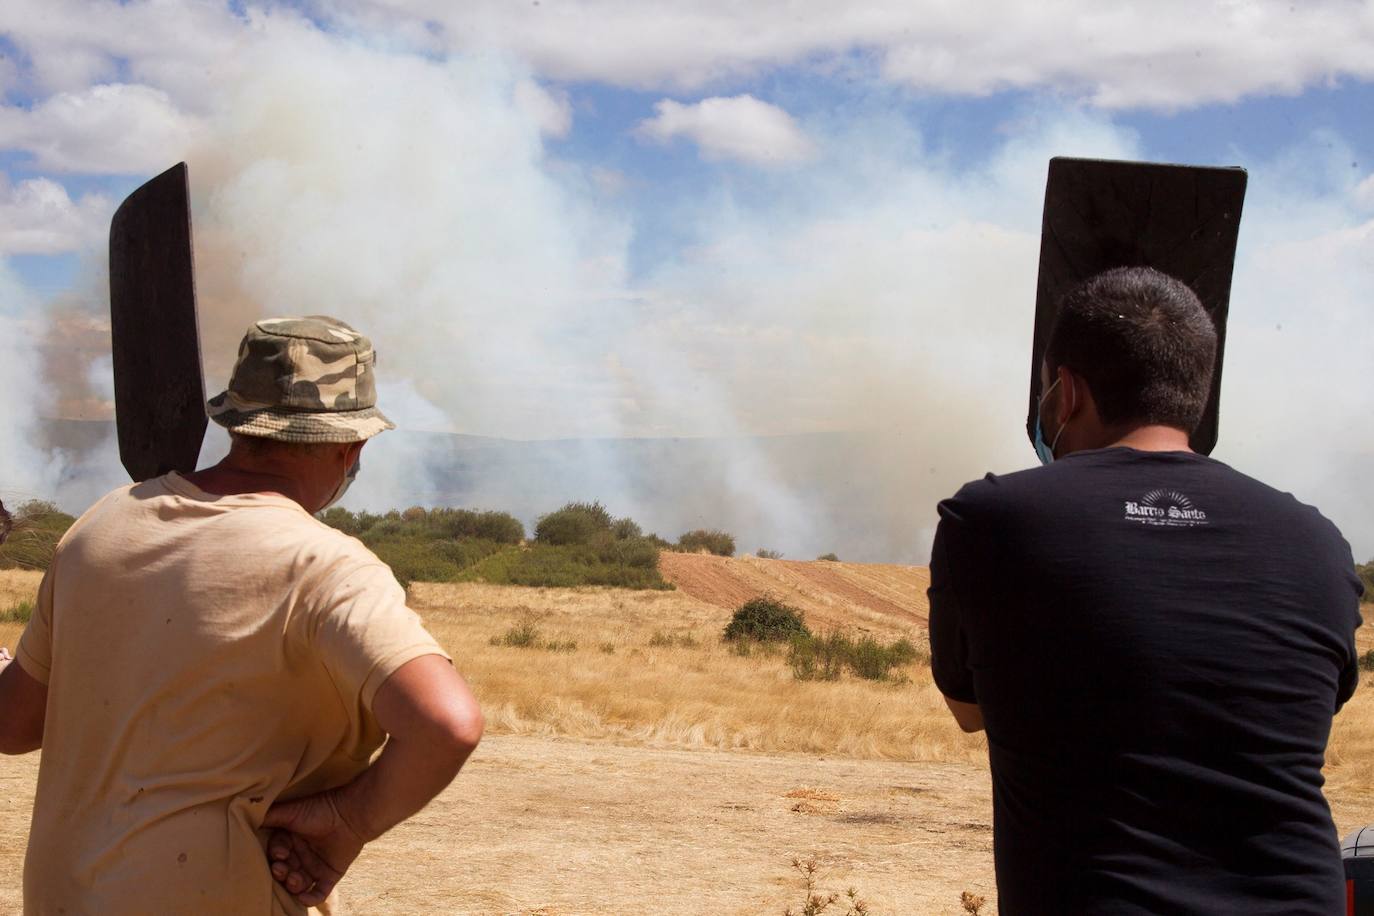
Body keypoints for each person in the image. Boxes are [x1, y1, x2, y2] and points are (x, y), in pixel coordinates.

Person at [0, 316, 484, 915]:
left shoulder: (98, 525)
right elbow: (447, 724)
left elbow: (13, 725)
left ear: (234, 422)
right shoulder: (325, 565)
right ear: (351, 447)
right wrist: (346, 822)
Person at [928, 267, 1363, 915]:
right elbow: (1294, 718)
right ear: (1196, 397)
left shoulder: (992, 520)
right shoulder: (1320, 544)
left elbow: (972, 712)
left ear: (1066, 393)